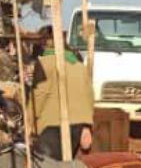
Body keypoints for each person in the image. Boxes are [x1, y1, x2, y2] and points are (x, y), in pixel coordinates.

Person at [29, 27, 94, 159]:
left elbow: (38, 96)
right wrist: (87, 124)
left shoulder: (44, 63)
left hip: (51, 126)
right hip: (77, 125)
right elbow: (89, 95)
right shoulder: (79, 65)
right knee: (64, 166)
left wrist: (28, 123)